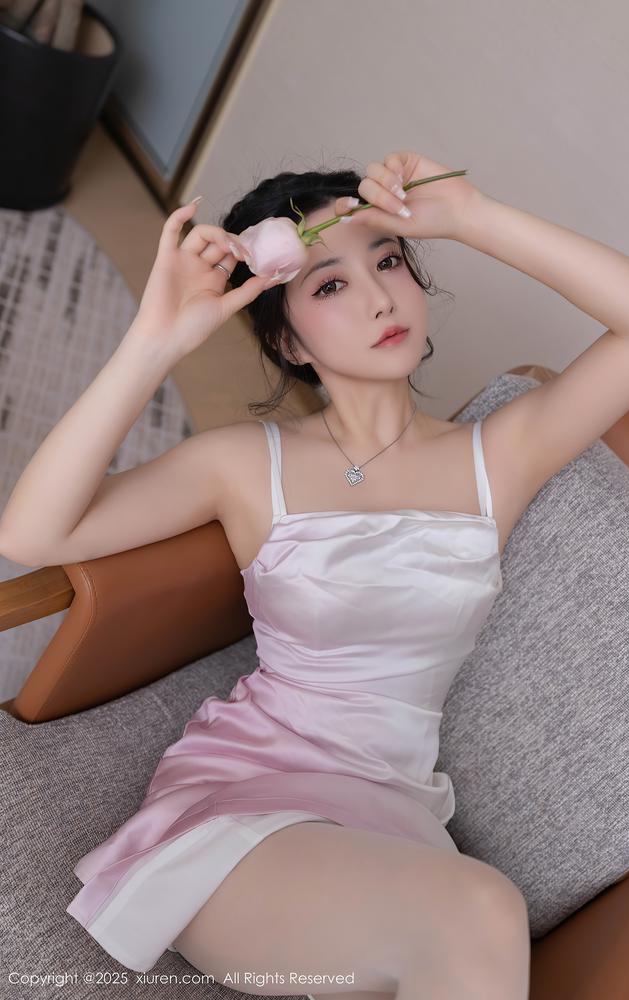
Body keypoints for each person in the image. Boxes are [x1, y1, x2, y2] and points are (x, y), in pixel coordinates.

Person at [3, 151, 539, 999]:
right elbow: (31, 531)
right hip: (248, 798)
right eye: (330, 284)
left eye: (389, 262)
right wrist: (156, 340)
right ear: (288, 340)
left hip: (394, 817)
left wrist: (477, 218)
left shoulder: (499, 456)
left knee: (466, 922)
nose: (378, 299)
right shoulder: (249, 465)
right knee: (482, 910)